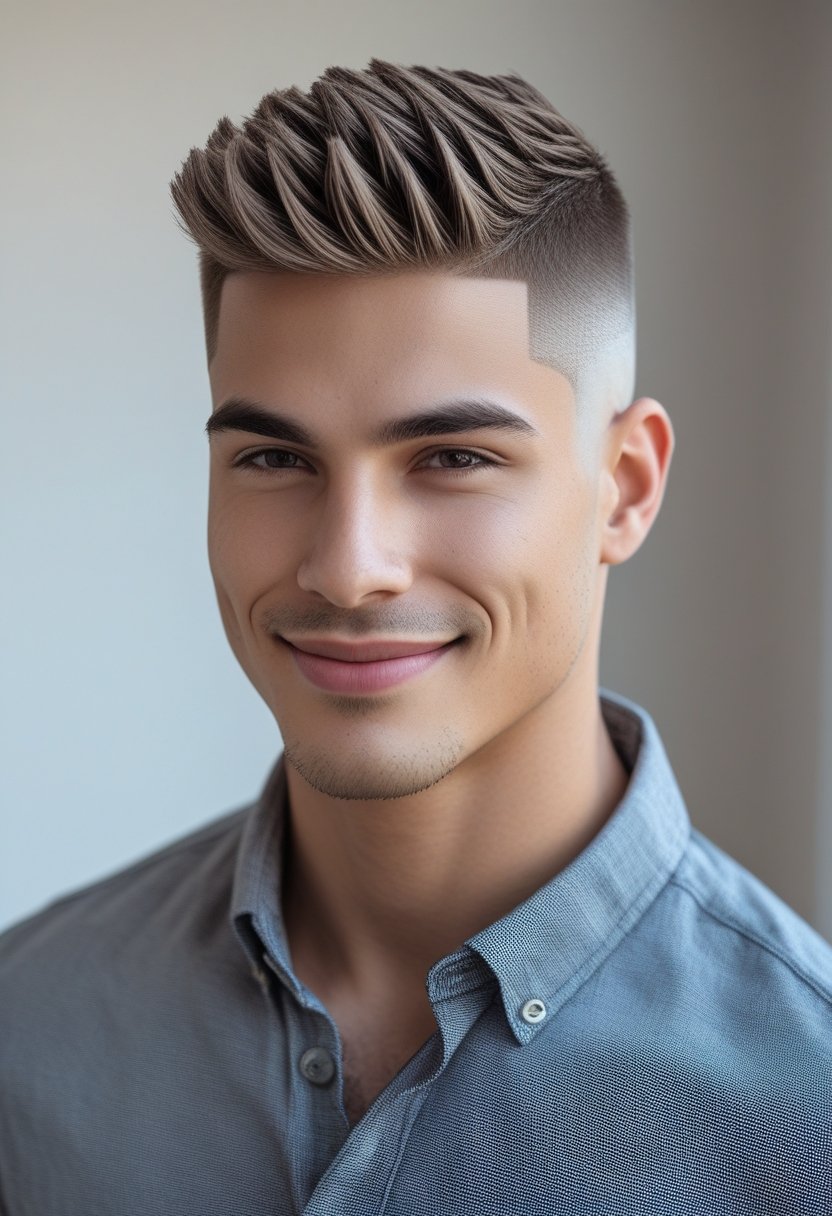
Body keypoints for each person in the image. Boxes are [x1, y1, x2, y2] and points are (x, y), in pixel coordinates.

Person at [1, 57, 830, 1216]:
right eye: (275, 459)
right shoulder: (26, 1034)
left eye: (452, 459)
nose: (347, 566)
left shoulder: (810, 1114)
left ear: (625, 487)